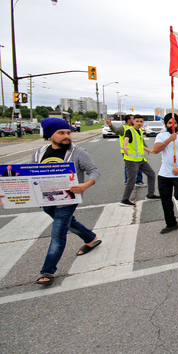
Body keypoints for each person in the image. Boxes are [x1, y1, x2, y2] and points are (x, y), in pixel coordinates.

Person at [32, 118, 101, 285]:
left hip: (67, 200)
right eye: (61, 133)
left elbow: (94, 171)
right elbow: (28, 176)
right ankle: (91, 238)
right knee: (68, 223)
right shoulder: (39, 153)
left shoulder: (77, 152)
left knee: (58, 234)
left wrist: (85, 185)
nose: (66, 136)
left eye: (68, 132)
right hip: (47, 200)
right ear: (50, 135)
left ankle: (48, 270)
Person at [119, 115, 159, 206]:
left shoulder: (140, 131)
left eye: (141, 121)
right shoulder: (129, 131)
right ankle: (124, 200)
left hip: (141, 160)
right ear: (133, 121)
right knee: (131, 180)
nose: (139, 123)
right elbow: (126, 139)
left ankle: (150, 194)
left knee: (151, 174)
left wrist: (148, 150)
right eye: (137, 121)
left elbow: (139, 144)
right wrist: (124, 146)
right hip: (131, 160)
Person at [106, 115, 145, 187]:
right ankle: (128, 182)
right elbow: (116, 130)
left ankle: (138, 181)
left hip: (137, 152)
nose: (136, 121)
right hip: (127, 151)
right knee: (128, 167)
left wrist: (145, 147)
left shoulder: (138, 128)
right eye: (133, 119)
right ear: (129, 120)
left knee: (139, 166)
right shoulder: (123, 127)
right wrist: (111, 125)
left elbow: (140, 139)